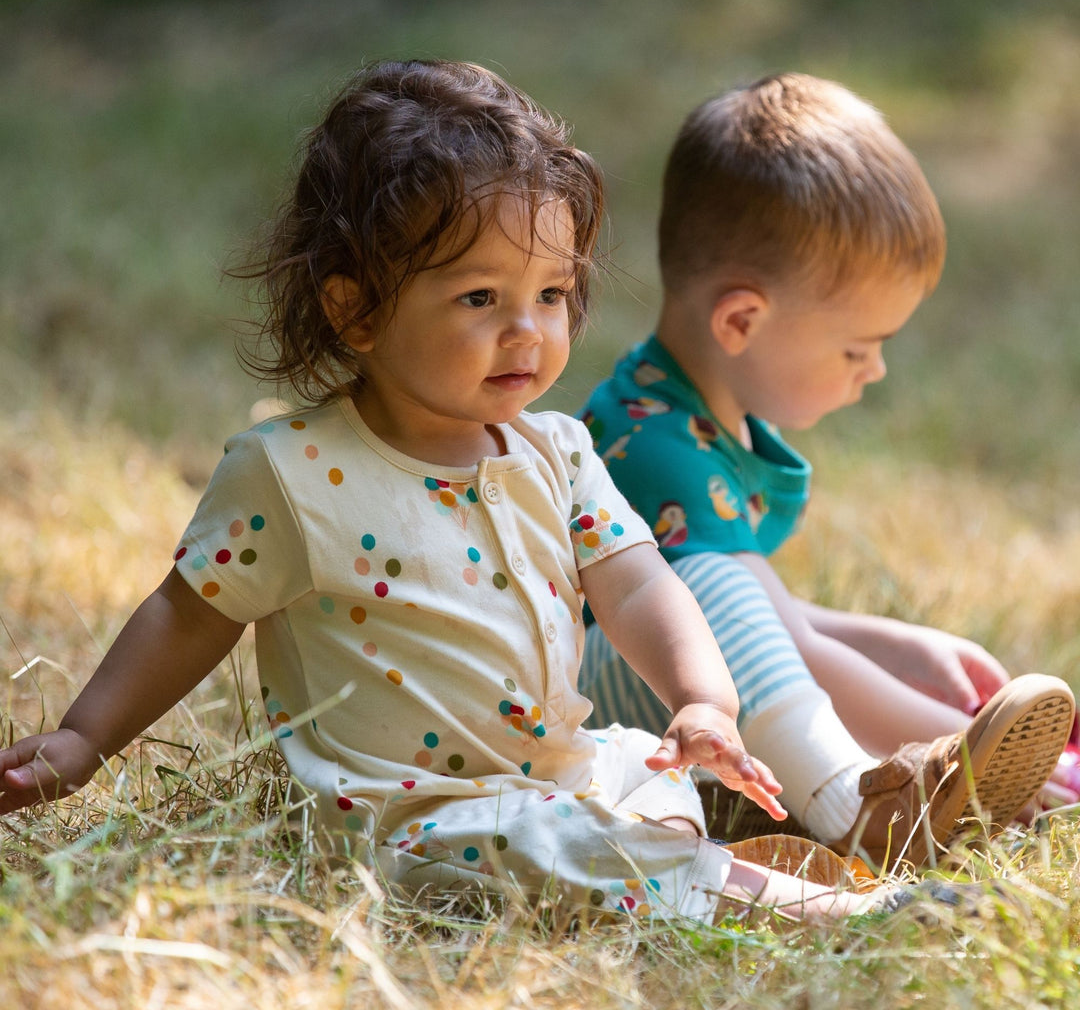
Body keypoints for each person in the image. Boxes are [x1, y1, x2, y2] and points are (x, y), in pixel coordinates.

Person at [0, 60, 890, 923]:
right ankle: (812, 905)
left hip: (556, 772)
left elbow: (641, 582)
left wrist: (705, 701)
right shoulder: (294, 472)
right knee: (554, 842)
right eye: (478, 298)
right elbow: (186, 614)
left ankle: (677, 872)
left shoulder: (559, 450)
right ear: (357, 310)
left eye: (551, 292)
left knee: (636, 773)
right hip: (412, 821)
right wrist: (83, 739)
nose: (528, 330)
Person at [578, 72, 1076, 871]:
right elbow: (767, 631)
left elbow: (775, 618)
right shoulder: (654, 450)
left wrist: (902, 644)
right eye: (856, 347)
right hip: (581, 703)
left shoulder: (678, 411)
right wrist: (955, 748)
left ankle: (941, 774)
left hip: (658, 692)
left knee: (726, 588)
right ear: (742, 321)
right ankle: (868, 805)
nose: (874, 371)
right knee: (708, 579)